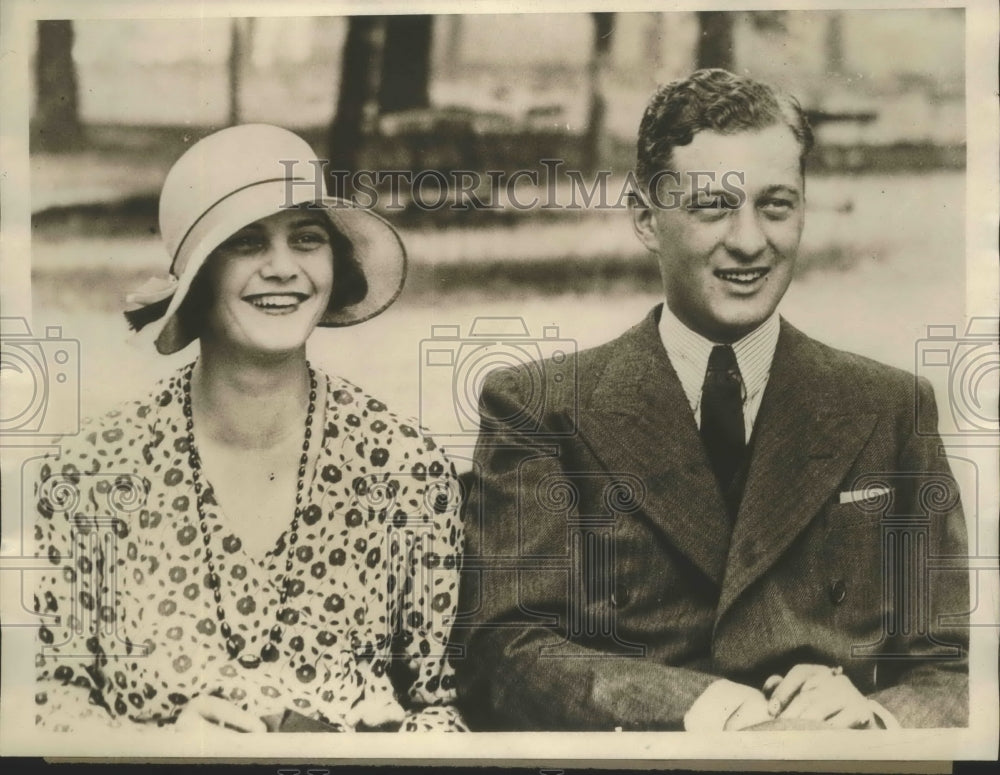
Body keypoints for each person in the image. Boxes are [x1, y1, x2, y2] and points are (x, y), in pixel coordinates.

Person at [453, 69, 969, 731]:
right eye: (714, 206)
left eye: (776, 205)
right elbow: (507, 652)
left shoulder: (890, 408)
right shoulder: (540, 409)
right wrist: (711, 708)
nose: (750, 240)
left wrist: (874, 717)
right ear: (646, 218)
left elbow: (954, 665)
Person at [32, 124, 465, 733]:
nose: (283, 268)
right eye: (246, 242)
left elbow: (443, 705)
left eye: (307, 238)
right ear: (198, 276)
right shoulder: (91, 471)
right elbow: (47, 698)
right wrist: (163, 750)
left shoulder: (404, 467)